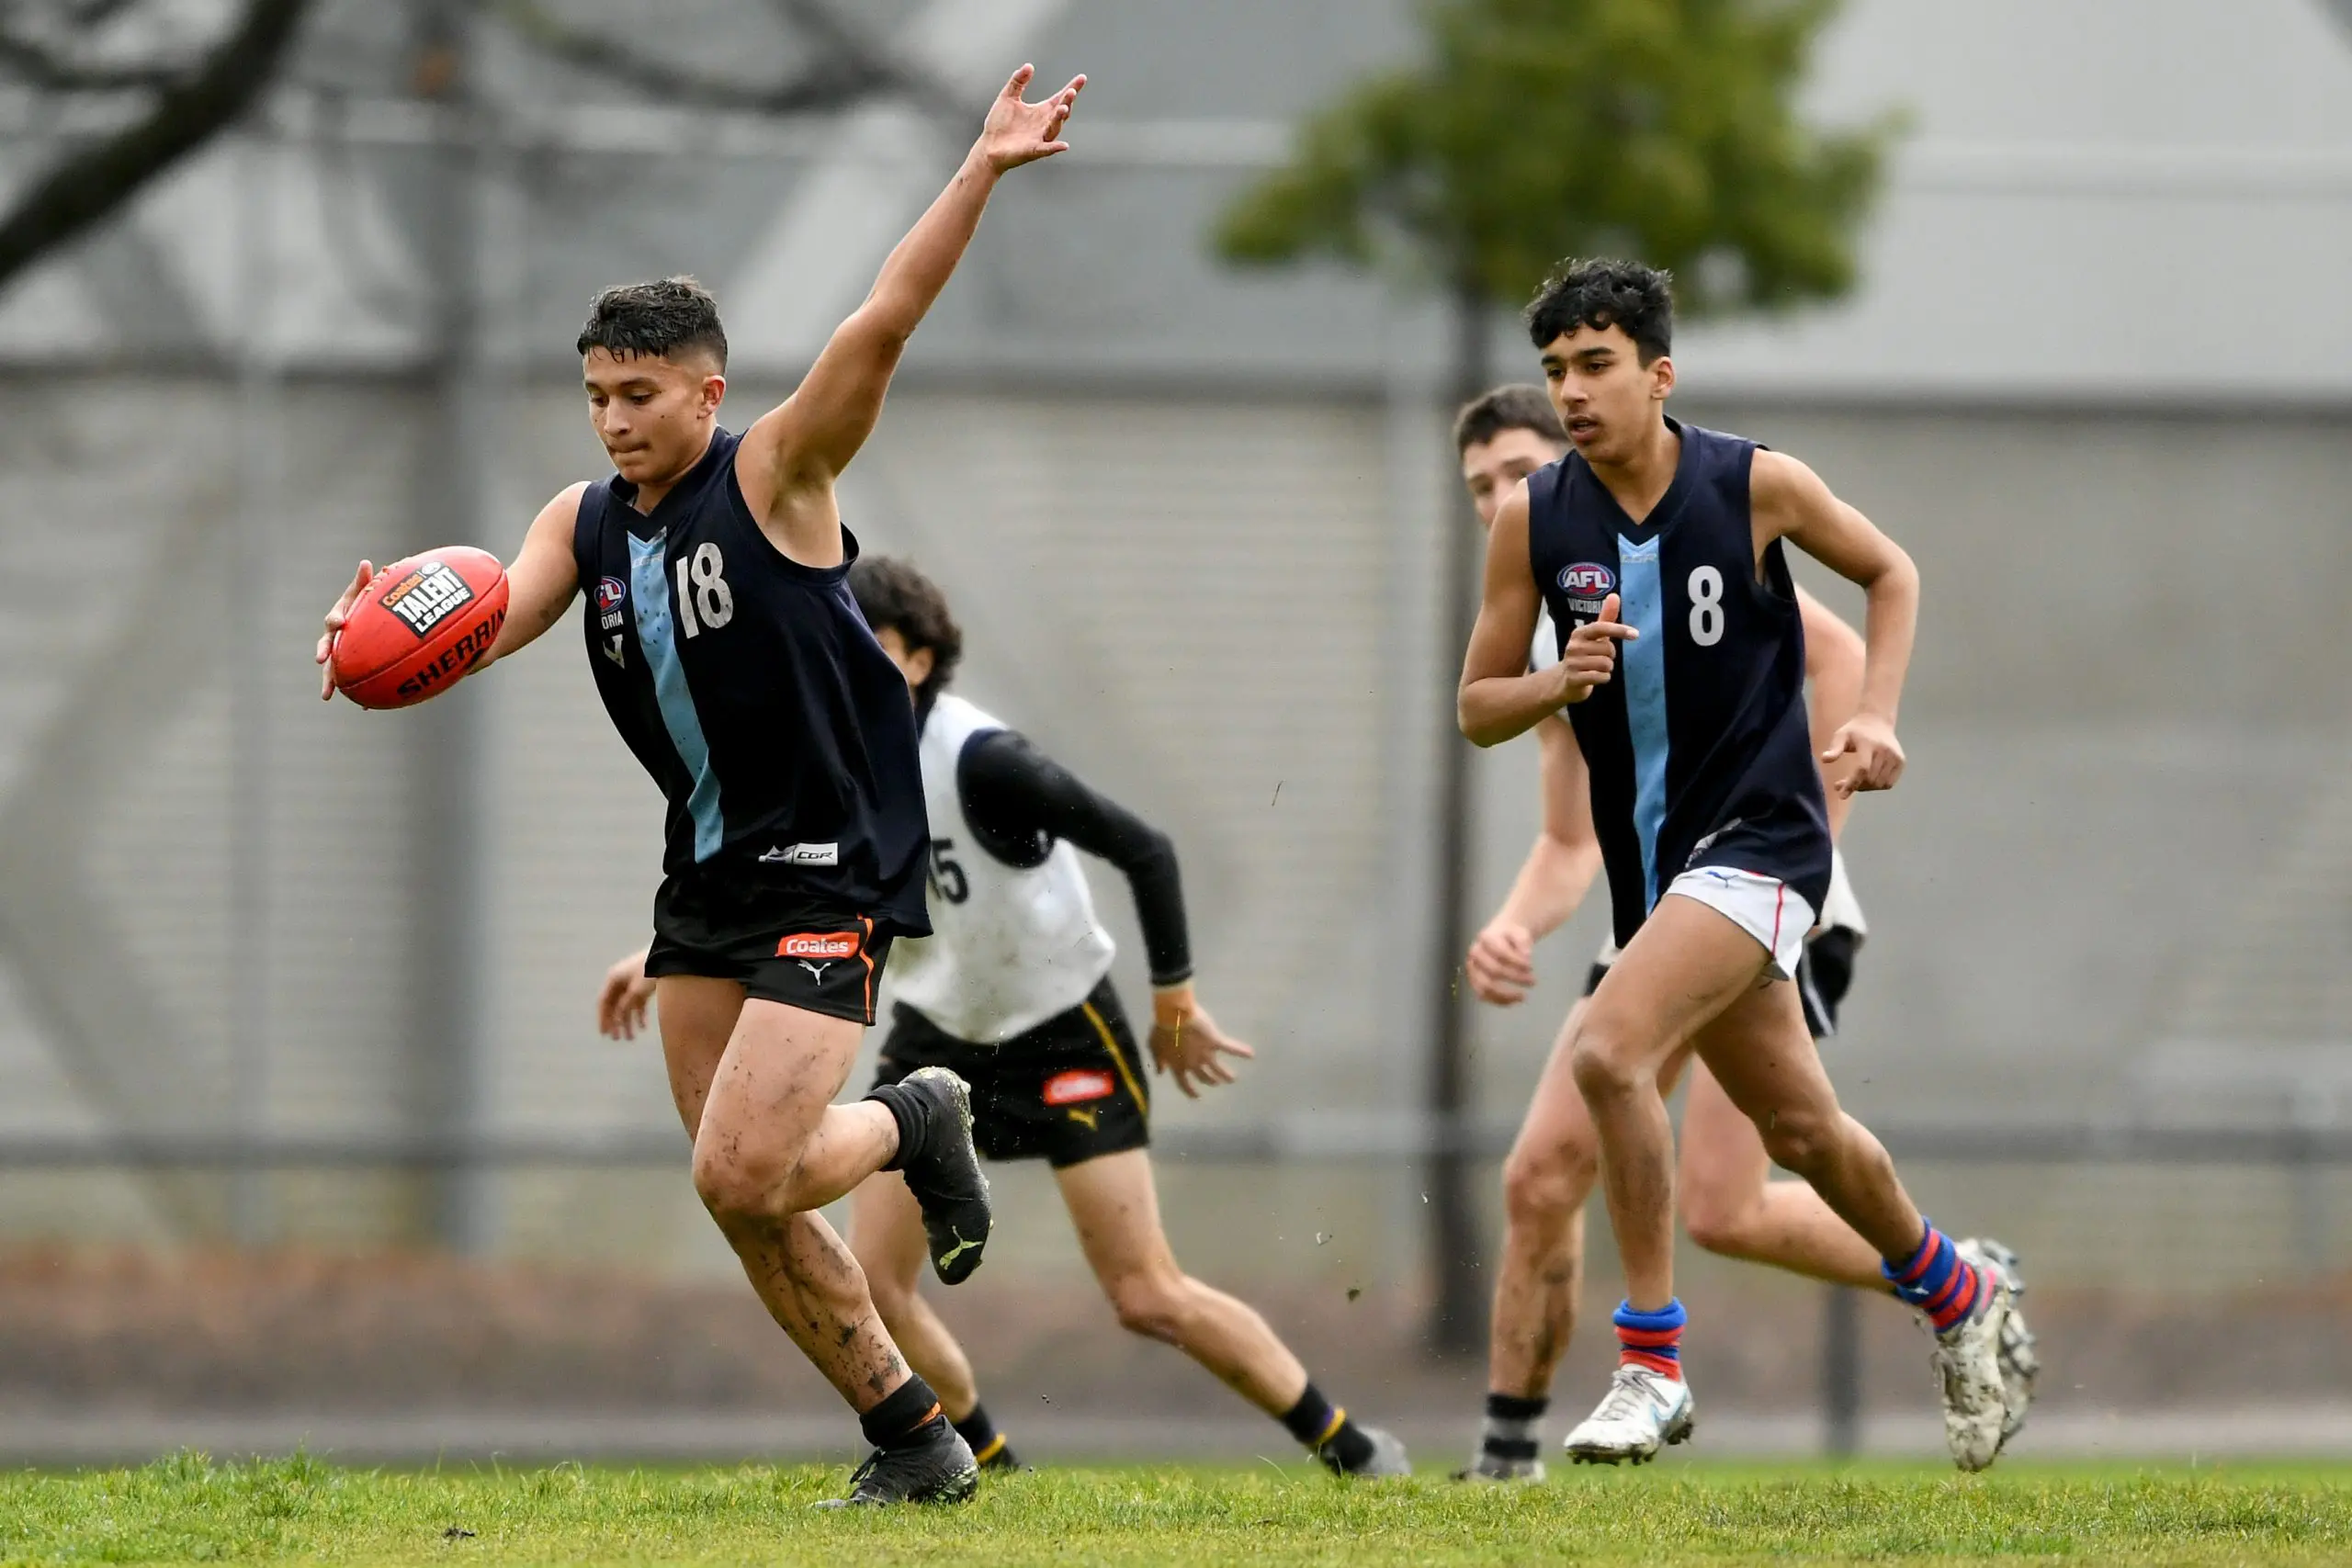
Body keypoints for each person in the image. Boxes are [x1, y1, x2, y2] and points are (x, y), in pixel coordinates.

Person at [312, 66, 1087, 1507]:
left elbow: (885, 318)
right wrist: (380, 639)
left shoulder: (785, 473)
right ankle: (913, 1435)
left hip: (831, 863)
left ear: (710, 392)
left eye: (642, 394)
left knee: (745, 1171)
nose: (612, 420)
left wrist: (979, 169)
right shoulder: (581, 519)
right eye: (597, 395)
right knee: (752, 1204)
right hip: (707, 877)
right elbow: (487, 622)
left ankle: (918, 1117)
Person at [598, 555, 1411, 1479]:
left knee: (1144, 1293)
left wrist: (1174, 997)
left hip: (1059, 1023)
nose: (843, 660)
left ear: (919, 657)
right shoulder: (828, 764)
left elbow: (1144, 849)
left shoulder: (982, 761)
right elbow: (774, 888)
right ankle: (982, 1458)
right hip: (937, 1027)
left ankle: (1345, 1444)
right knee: (880, 1284)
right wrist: (658, 958)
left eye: (871, 644)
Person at [1456, 258, 2029, 1472]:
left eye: (1596, 364)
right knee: (1807, 1136)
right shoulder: (1535, 521)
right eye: (1556, 369)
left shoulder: (1754, 483)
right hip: (1662, 877)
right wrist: (1555, 682)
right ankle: (1955, 1286)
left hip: (1767, 844)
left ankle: (1651, 1361)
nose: (1571, 390)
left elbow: (1891, 572)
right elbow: (1475, 705)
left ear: (1660, 373)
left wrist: (1874, 716)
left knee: (1609, 1049)